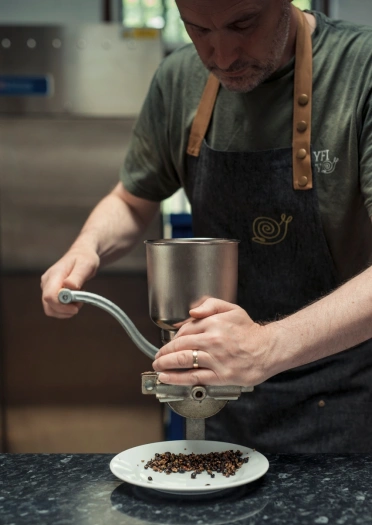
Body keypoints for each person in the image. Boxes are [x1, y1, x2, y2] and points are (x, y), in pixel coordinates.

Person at [41, 0, 372, 453]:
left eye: (243, 24)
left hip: (349, 401)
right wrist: (87, 246)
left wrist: (265, 348)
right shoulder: (179, 78)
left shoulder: (360, 70)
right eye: (199, 30)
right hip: (222, 403)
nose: (222, 57)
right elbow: (131, 199)